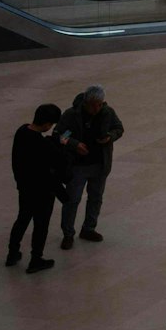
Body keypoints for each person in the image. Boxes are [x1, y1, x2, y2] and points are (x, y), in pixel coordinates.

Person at [56, 85, 123, 249]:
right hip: (77, 166)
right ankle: (68, 233)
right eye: (93, 104)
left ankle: (89, 228)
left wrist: (109, 137)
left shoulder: (108, 112)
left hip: (100, 165)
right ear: (85, 102)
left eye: (100, 104)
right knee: (72, 200)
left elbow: (119, 129)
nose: (97, 108)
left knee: (96, 198)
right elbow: (59, 135)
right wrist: (74, 144)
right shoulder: (72, 115)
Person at [9, 102, 66, 272]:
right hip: (42, 191)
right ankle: (36, 259)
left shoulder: (21, 131)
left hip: (25, 187)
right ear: (47, 124)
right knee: (41, 225)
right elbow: (59, 162)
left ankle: (12, 253)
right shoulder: (42, 144)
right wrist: (60, 145)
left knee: (22, 219)